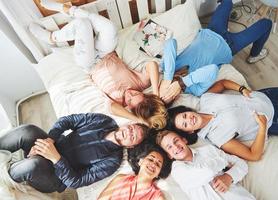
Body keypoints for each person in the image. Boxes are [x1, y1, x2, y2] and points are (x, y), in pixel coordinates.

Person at [29, 0, 167, 129]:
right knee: (109, 27)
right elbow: (152, 65)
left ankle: (52, 38)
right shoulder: (141, 83)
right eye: (135, 94)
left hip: (90, 63)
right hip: (106, 52)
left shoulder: (120, 103)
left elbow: (111, 108)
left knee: (82, 24)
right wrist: (156, 93)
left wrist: (139, 119)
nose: (129, 95)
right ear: (145, 95)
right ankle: (65, 9)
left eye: (130, 101)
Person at [0, 113, 149, 193]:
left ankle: (5, 178)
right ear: (127, 124)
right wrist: (50, 140)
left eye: (133, 137)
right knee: (28, 130)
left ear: (132, 146)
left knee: (34, 164)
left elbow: (75, 182)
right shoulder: (104, 121)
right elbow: (68, 120)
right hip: (52, 146)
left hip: (54, 177)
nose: (128, 133)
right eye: (131, 128)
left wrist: (55, 158)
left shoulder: (112, 161)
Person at [159, 0, 272, 102]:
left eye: (166, 91)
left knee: (227, 2)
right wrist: (182, 82)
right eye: (171, 96)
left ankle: (226, 23)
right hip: (230, 45)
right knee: (267, 23)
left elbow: (170, 43)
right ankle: (255, 54)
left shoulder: (168, 67)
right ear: (176, 97)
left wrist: (168, 77)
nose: (170, 91)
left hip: (212, 31)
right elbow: (212, 70)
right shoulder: (195, 90)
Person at [167, 79, 278, 161]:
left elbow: (222, 83)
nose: (189, 119)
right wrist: (263, 128)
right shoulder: (218, 138)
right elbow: (253, 155)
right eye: (185, 125)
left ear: (187, 110)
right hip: (277, 117)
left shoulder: (205, 100)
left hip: (265, 95)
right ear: (190, 132)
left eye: (185, 115)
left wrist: (242, 89)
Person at [156, 130, 255, 200]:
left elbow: (242, 164)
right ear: (169, 155)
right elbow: (207, 172)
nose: (175, 147)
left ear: (184, 140)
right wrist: (222, 161)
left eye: (176, 140)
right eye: (169, 147)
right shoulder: (177, 170)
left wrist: (229, 176)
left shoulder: (208, 150)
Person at [98, 142, 171, 200]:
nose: (153, 164)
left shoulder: (157, 197)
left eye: (158, 164)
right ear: (140, 162)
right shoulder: (120, 178)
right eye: (150, 159)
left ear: (158, 174)